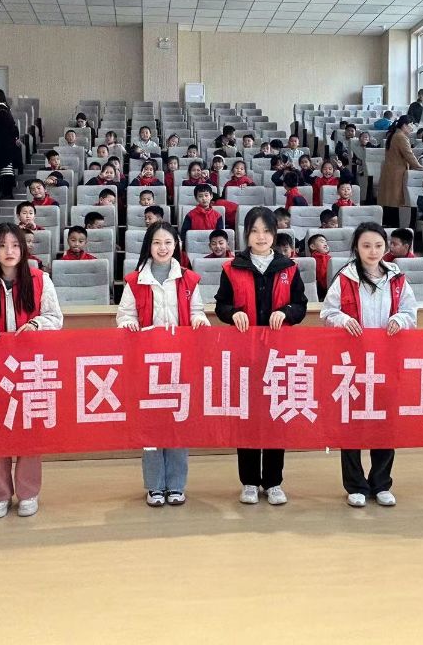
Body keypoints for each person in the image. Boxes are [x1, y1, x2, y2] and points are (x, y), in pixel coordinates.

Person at [0, 223, 63, 519]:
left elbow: (55, 318)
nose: (9, 251)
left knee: (29, 431)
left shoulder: (40, 279)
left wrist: (36, 324)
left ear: (24, 248)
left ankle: (28, 492)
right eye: (3, 245)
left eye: (15, 245)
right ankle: (1, 494)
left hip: (30, 368)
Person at [215, 207, 308, 506]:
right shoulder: (232, 267)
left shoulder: (289, 267)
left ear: (274, 234)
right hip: (245, 356)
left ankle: (273, 481)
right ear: (246, 234)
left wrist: (287, 312)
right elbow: (221, 306)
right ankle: (249, 481)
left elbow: (301, 305)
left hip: (279, 356)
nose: (261, 237)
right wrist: (233, 313)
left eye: (266, 231)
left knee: (276, 416)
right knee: (248, 418)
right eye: (255, 231)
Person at [321, 222, 418, 507]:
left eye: (378, 245)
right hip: (352, 363)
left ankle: (381, 483)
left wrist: (400, 319)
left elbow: (410, 312)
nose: (372, 251)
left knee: (384, 423)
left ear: (385, 247)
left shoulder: (397, 278)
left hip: (386, 361)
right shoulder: (345, 278)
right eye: (366, 246)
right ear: (356, 248)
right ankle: (355, 485)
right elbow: (327, 313)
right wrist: (343, 320)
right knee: (351, 424)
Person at [117, 223, 209, 506]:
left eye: (168, 242)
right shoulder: (134, 281)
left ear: (176, 245)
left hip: (181, 363)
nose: (162, 248)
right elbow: (124, 315)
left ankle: (177, 485)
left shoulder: (189, 279)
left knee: (179, 424)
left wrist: (199, 320)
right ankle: (155, 486)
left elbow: (198, 312)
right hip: (148, 365)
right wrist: (128, 324)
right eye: (157, 242)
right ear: (149, 246)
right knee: (152, 427)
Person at [378, 116, 423, 208]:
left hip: (391, 170)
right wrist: (420, 167)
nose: (412, 127)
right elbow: (409, 154)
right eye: (411, 124)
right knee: (394, 200)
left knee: (388, 200)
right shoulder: (401, 137)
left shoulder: (395, 134)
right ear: (404, 125)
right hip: (397, 172)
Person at [0, 89, 22, 200]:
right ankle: (7, 191)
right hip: (7, 142)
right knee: (7, 168)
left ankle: (7, 193)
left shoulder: (0, 109)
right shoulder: (5, 108)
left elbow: (7, 127)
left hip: (4, 143)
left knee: (5, 168)